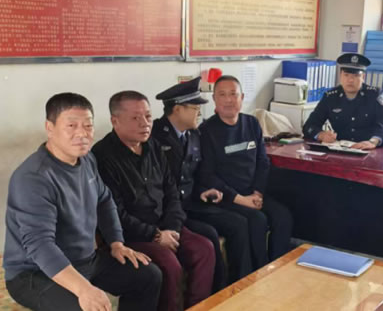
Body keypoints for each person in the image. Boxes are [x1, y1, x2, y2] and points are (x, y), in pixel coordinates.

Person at [3, 92, 161, 311]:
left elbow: (104, 200)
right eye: (71, 126)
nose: (82, 134)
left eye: (88, 126)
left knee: (148, 276)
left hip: (85, 260)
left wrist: (116, 243)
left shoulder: (86, 159)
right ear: (50, 128)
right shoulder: (34, 178)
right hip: (34, 272)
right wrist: (83, 289)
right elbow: (40, 245)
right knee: (83, 306)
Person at [93, 91, 215, 311]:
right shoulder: (103, 156)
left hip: (165, 226)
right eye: (135, 118)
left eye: (148, 116)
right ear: (115, 121)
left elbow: (172, 193)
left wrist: (171, 228)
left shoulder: (154, 147)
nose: (145, 123)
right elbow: (114, 213)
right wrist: (156, 236)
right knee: (169, 264)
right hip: (132, 235)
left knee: (203, 248)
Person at [152, 77, 253, 286]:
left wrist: (203, 192)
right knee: (209, 234)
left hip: (192, 202)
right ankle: (218, 291)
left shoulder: (193, 134)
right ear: (177, 109)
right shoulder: (155, 137)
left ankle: (241, 284)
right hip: (169, 211)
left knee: (239, 223)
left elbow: (196, 174)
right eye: (195, 108)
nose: (199, 112)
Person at [198, 75, 293, 270]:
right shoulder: (206, 130)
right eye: (222, 95)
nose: (228, 100)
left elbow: (262, 162)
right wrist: (241, 199)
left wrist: (258, 193)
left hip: (253, 193)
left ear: (242, 97)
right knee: (257, 220)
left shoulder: (251, 123)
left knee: (283, 216)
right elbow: (207, 175)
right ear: (214, 99)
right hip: (227, 197)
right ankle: (257, 274)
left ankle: (277, 270)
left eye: (233, 94)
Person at [303, 53, 383, 149]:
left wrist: (373, 141)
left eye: (356, 76)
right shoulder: (331, 96)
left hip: (369, 149)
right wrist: (321, 135)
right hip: (340, 149)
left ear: (363, 77)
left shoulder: (374, 95)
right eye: (346, 75)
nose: (350, 80)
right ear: (340, 76)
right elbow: (309, 126)